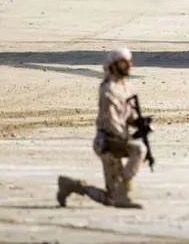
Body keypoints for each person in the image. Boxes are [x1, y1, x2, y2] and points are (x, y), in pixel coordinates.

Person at [56, 48, 146, 208]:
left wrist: (140, 123)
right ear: (113, 65)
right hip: (107, 143)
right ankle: (119, 190)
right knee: (137, 151)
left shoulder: (126, 87)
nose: (128, 66)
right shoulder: (108, 89)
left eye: (129, 62)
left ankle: (74, 186)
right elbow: (110, 121)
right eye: (123, 63)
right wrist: (126, 137)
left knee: (111, 198)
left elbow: (129, 115)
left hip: (119, 140)